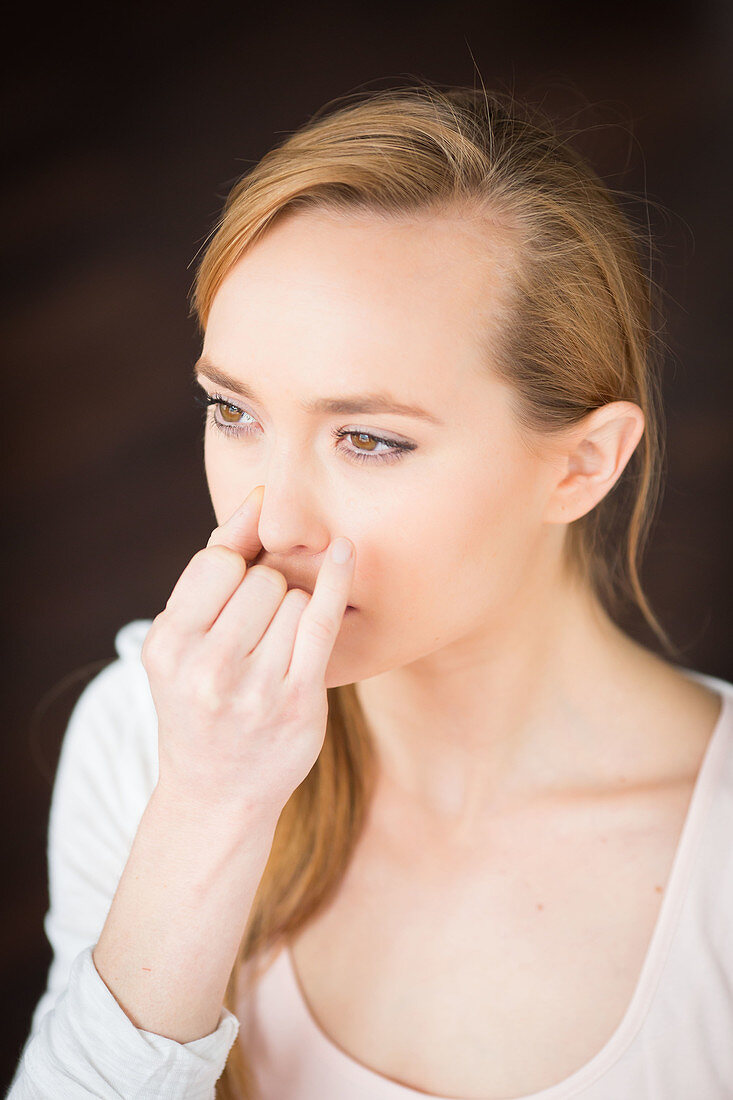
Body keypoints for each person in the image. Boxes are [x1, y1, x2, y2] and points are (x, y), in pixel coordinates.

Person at [7, 82, 733, 1100]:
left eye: (369, 438)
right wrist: (206, 811)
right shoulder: (153, 737)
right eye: (233, 410)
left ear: (582, 465)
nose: (272, 517)